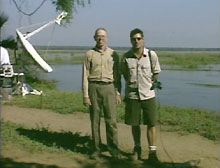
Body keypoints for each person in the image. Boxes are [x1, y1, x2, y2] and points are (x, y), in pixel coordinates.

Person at [120, 28, 161, 164]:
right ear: (130, 40)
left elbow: (156, 72)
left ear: (143, 39)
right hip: (132, 96)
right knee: (134, 123)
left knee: (151, 123)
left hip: (148, 95)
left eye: (139, 38)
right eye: (134, 39)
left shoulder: (151, 55)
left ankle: (152, 152)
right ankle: (137, 148)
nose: (136, 41)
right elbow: (125, 74)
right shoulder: (126, 57)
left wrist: (149, 83)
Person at [82, 28, 121, 159]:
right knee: (95, 120)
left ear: (107, 38)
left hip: (109, 88)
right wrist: (85, 95)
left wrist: (117, 93)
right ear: (94, 38)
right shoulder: (89, 54)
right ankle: (96, 148)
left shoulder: (113, 54)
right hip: (94, 87)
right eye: (98, 36)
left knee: (111, 121)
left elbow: (117, 75)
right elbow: (85, 75)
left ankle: (113, 149)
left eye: (103, 36)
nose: (101, 39)